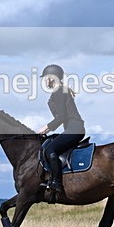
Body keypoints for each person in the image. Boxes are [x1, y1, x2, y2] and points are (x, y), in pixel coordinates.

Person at [37, 64, 85, 195]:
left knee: (50, 149)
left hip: (74, 129)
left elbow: (62, 117)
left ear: (52, 78)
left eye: (45, 78)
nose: (44, 81)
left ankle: (56, 182)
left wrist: (46, 128)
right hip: (71, 129)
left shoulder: (59, 92)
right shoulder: (60, 91)